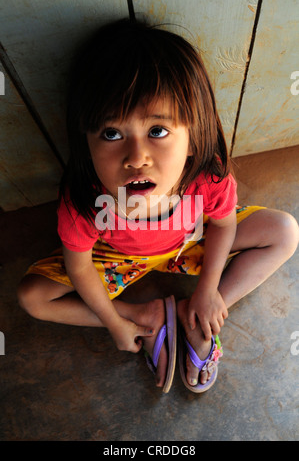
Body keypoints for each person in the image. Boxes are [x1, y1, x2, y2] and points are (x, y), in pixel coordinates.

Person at [17, 19, 299, 393]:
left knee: (284, 231)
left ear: (194, 137)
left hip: (188, 245)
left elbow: (223, 225)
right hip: (118, 257)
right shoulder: (83, 199)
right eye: (112, 134)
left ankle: (199, 316)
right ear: (85, 141)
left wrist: (207, 289)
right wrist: (116, 322)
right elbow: (80, 267)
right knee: (32, 298)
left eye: (157, 131)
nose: (137, 157)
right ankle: (145, 317)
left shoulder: (206, 177)